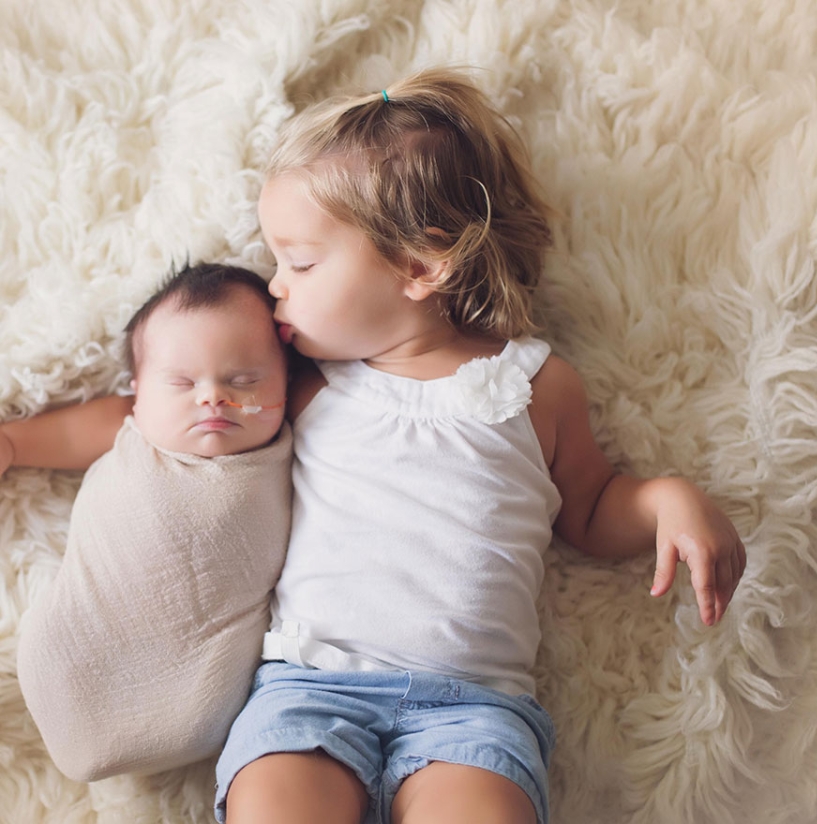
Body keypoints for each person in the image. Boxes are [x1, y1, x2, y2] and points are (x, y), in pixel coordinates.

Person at [2, 69, 746, 822]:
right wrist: (19, 440)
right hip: (307, 687)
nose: (274, 286)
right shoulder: (307, 380)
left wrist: (665, 502)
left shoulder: (533, 385)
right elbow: (145, 416)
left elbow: (587, 506)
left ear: (420, 266)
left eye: (299, 262)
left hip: (473, 707)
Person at [10, 263, 293, 781]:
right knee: (54, 644)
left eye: (245, 380)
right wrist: (14, 443)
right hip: (83, 634)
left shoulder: (289, 446)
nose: (212, 396)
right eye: (182, 382)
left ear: (286, 384)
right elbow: (75, 437)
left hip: (198, 686)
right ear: (138, 393)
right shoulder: (135, 429)